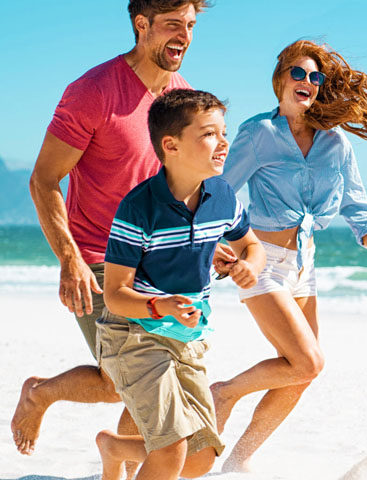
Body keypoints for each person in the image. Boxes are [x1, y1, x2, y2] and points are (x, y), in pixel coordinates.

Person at [14, 0, 212, 457]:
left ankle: (118, 459)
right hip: (100, 259)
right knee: (133, 379)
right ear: (142, 26)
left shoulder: (183, 99)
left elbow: (178, 186)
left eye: (190, 25)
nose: (183, 35)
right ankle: (39, 394)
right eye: (171, 25)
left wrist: (206, 241)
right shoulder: (94, 91)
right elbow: (44, 180)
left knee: (142, 379)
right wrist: (70, 261)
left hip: (160, 263)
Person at [210, 39, 367, 472]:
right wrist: (213, 241)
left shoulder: (335, 143)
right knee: (307, 359)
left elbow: (355, 198)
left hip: (304, 263)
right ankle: (223, 392)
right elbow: (220, 189)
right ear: (280, 79)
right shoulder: (259, 133)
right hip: (261, 260)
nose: (306, 82)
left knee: (303, 372)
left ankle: (237, 462)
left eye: (315, 77)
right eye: (298, 73)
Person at [94, 89, 265, 480]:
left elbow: (250, 245)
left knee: (200, 457)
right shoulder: (139, 208)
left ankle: (115, 446)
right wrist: (161, 306)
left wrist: (249, 267)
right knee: (170, 450)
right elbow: (116, 295)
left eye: (224, 133)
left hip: (187, 335)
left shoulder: (222, 196)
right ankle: (128, 450)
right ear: (170, 145)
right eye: (209, 134)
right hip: (134, 333)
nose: (223, 143)